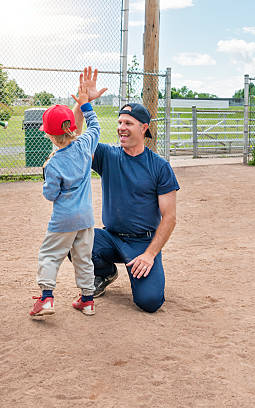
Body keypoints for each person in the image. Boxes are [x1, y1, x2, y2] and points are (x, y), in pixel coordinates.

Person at [80, 93, 179, 313]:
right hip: (111, 237)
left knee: (150, 302)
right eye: (119, 122)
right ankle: (104, 272)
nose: (121, 128)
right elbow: (76, 140)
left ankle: (141, 268)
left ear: (144, 128)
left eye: (128, 123)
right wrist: (82, 104)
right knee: (75, 239)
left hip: (142, 244)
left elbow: (169, 218)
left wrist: (150, 254)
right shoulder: (108, 155)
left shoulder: (159, 167)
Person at [29, 69, 104, 317]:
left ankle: (47, 298)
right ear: (72, 127)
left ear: (49, 134)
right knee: (84, 258)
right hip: (86, 218)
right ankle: (87, 299)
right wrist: (86, 105)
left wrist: (47, 184)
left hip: (63, 219)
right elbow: (95, 126)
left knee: (50, 255)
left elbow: (50, 195)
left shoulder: (52, 164)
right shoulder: (85, 145)